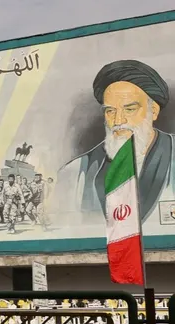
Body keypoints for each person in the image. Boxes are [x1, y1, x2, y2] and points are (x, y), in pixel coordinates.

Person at [59, 59, 175, 223]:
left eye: (130, 109)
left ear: (154, 111)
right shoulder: (75, 172)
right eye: (110, 111)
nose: (118, 120)